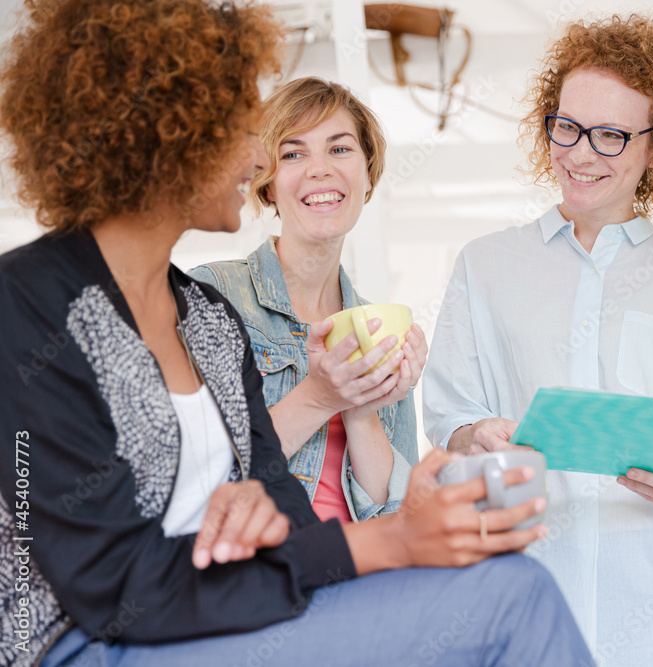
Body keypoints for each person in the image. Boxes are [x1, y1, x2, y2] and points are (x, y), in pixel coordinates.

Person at [0, 1, 594, 665]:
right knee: (512, 602)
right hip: (85, 645)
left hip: (224, 616)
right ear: (164, 133)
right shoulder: (28, 305)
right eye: (240, 128)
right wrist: (395, 539)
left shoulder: (208, 323)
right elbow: (112, 589)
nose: (255, 157)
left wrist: (411, 509)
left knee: (510, 581)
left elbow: (291, 520)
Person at [423, 13, 653, 666]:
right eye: (567, 126)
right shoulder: (484, 265)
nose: (580, 154)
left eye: (611, 135)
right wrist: (475, 435)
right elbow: (450, 412)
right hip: (529, 614)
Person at [190, 77, 425, 524]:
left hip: (358, 579)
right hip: (259, 581)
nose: (320, 169)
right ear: (266, 182)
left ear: (367, 173)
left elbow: (397, 522)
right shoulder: (213, 296)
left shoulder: (380, 331)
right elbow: (199, 481)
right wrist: (320, 397)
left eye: (339, 149)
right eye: (293, 153)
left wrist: (361, 410)